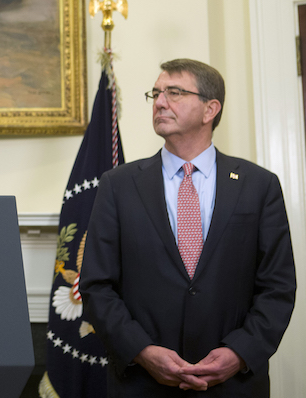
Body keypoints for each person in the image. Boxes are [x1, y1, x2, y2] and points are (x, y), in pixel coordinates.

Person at [80, 59, 296, 397]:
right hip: (141, 384)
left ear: (211, 109)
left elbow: (278, 286)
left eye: (175, 92)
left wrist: (239, 353)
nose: (160, 101)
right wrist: (142, 351)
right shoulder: (118, 185)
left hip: (233, 385)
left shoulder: (259, 185)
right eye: (156, 93)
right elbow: (97, 285)